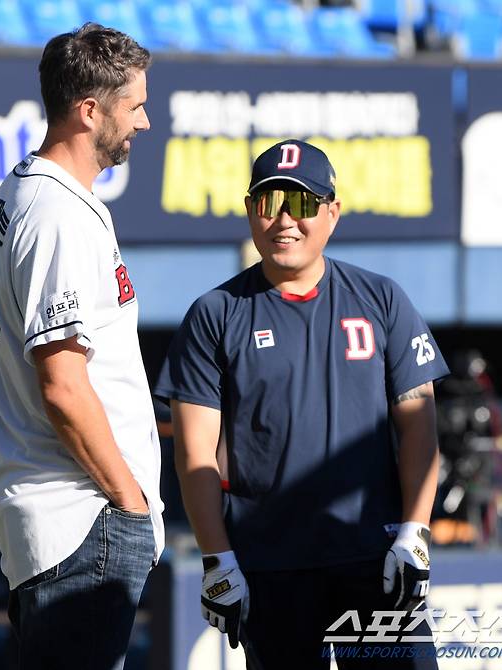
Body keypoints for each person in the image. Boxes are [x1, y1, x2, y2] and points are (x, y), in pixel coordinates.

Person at [155, 139, 449, 668]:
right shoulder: (214, 314)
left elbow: (419, 429)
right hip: (270, 567)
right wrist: (218, 559)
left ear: (333, 213)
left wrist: (415, 532)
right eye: (269, 203)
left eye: (304, 203)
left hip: (374, 560)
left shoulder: (382, 300)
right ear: (250, 210)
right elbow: (195, 454)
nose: (285, 219)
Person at [0, 23, 164, 670]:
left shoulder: (28, 191)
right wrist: (130, 501)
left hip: (60, 527)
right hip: (84, 524)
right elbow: (63, 385)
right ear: (89, 110)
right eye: (134, 104)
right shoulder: (56, 213)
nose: (144, 120)